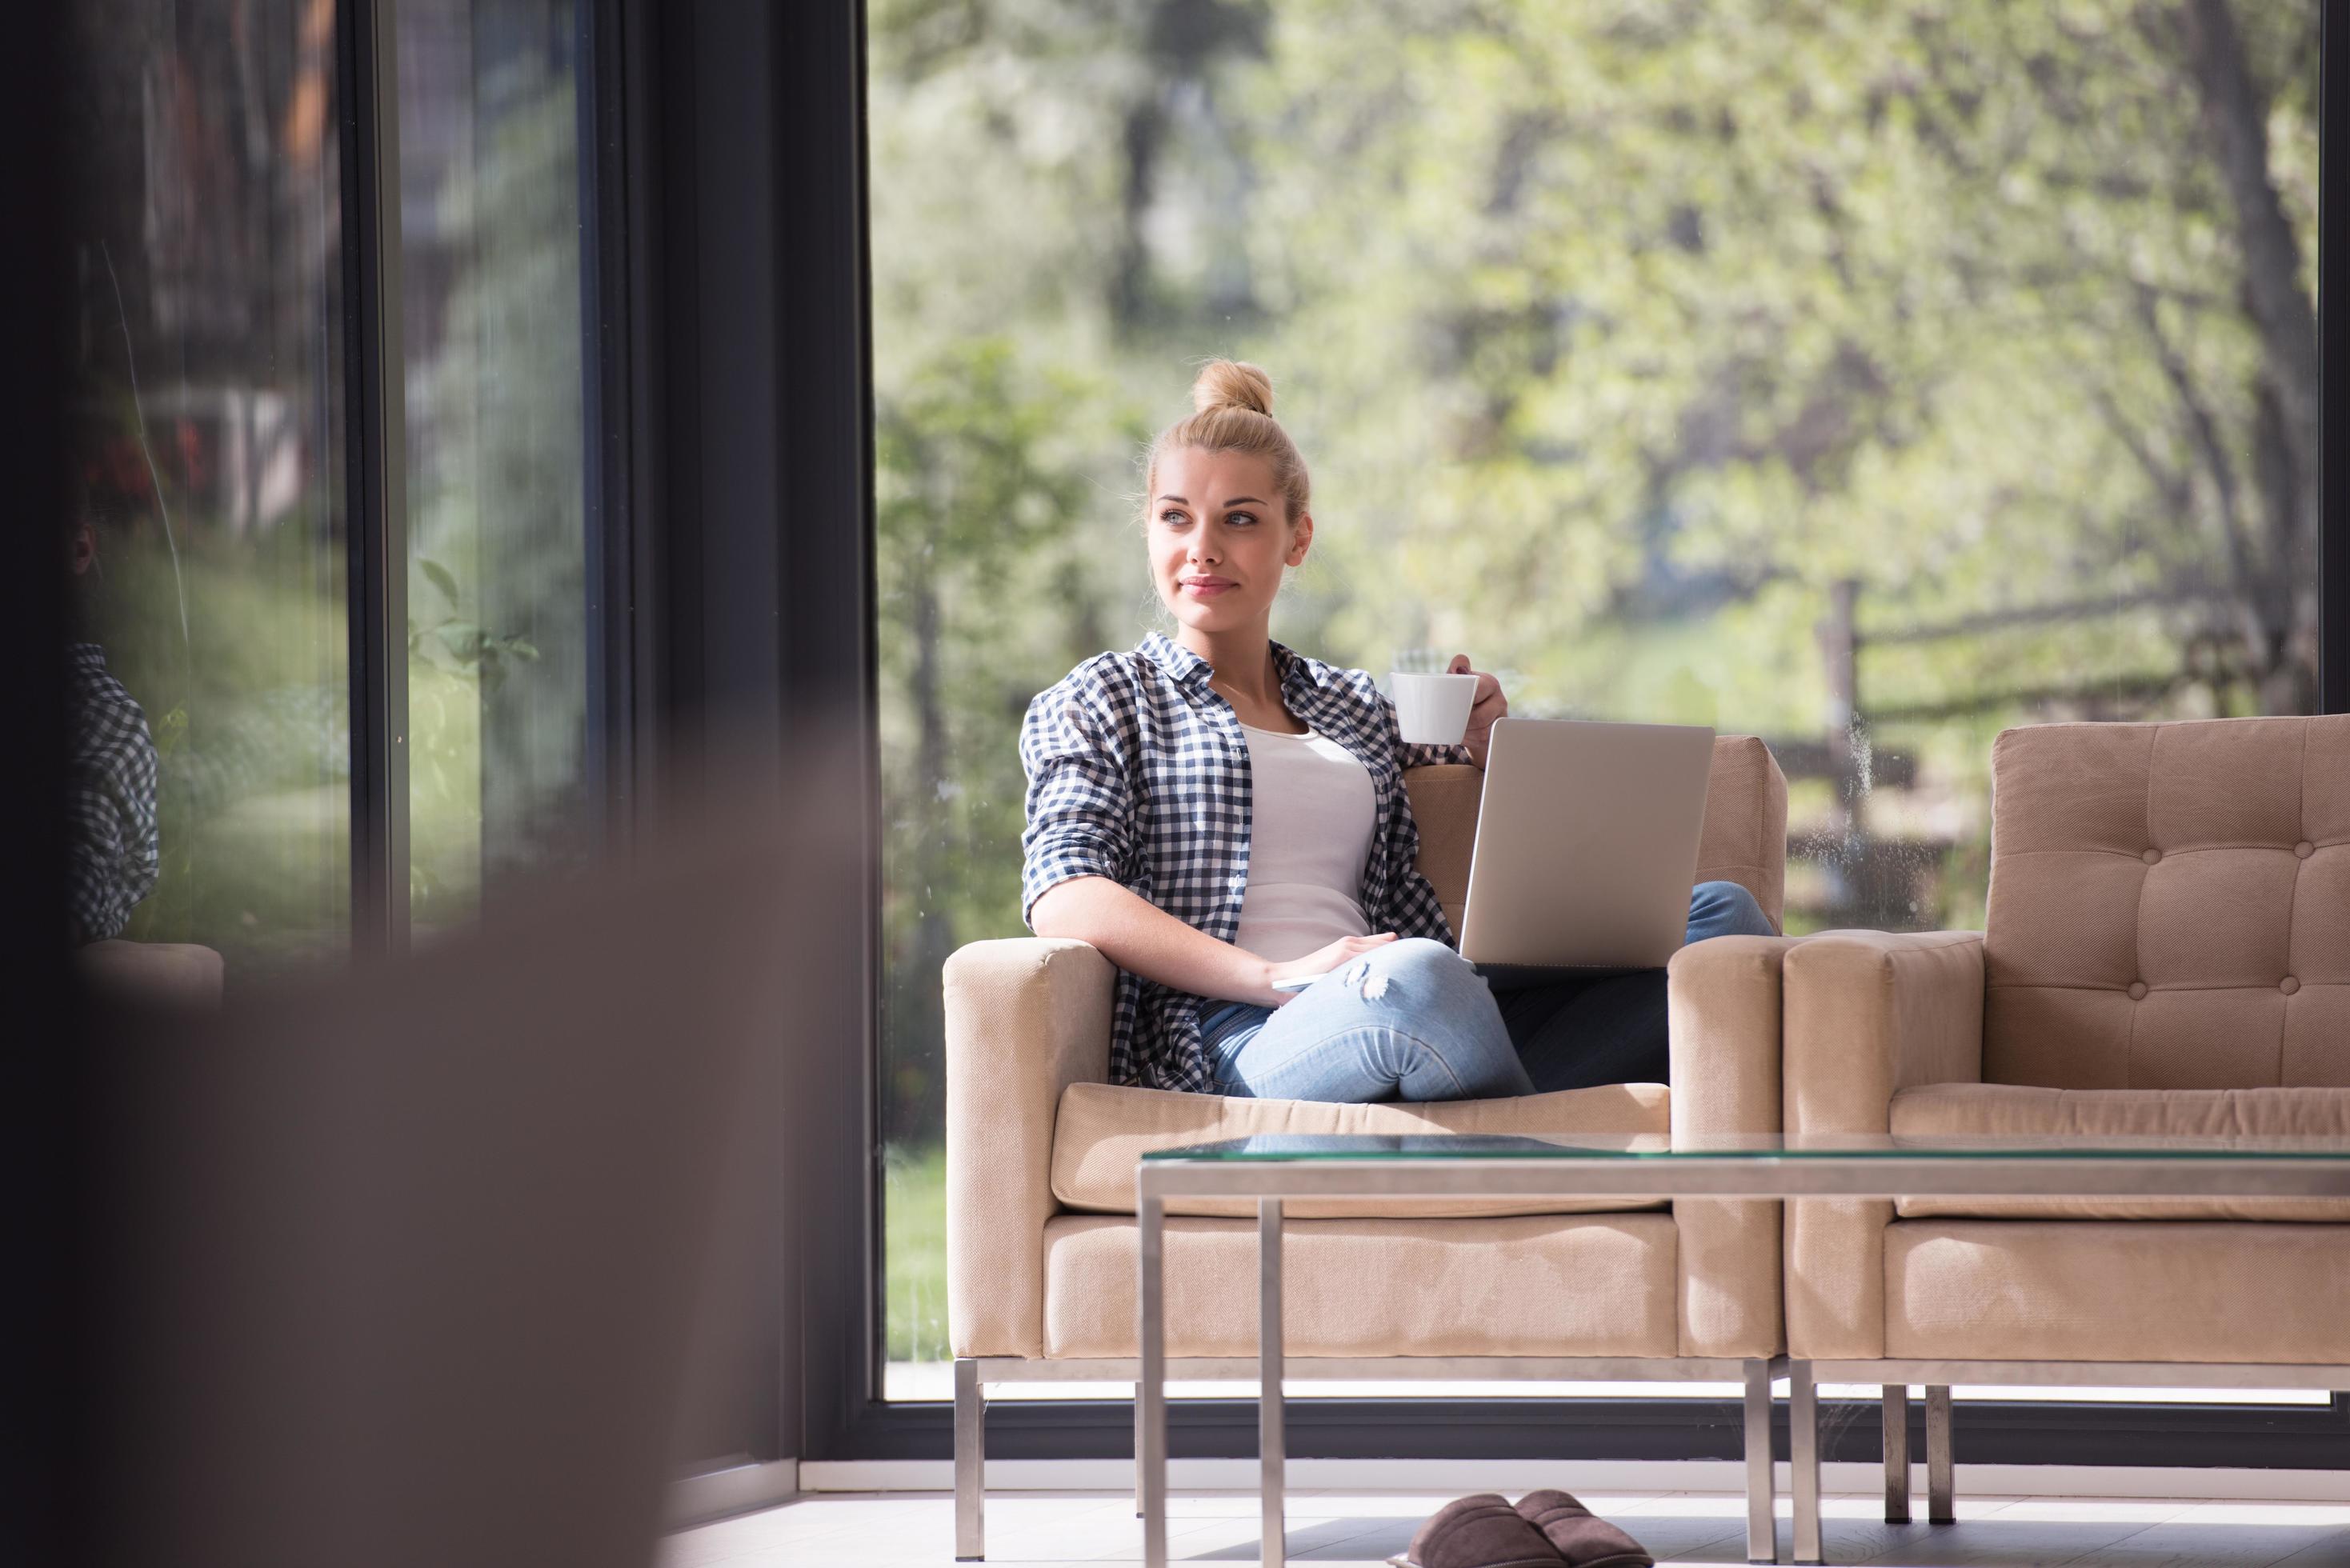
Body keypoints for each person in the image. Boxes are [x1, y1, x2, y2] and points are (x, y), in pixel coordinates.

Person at [1019, 359, 1776, 1102]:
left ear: (1297, 539)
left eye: (1240, 519)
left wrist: (1492, 739)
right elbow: (1064, 890)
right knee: (1417, 980)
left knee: (1724, 921)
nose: (1203, 548)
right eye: (1175, 517)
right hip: (1244, 1030)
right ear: (1149, 531)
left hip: (1423, 988)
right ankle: (1533, 1149)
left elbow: (1460, 750)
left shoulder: (1350, 704)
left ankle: (1503, 1112)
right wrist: (1275, 976)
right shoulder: (1104, 697)